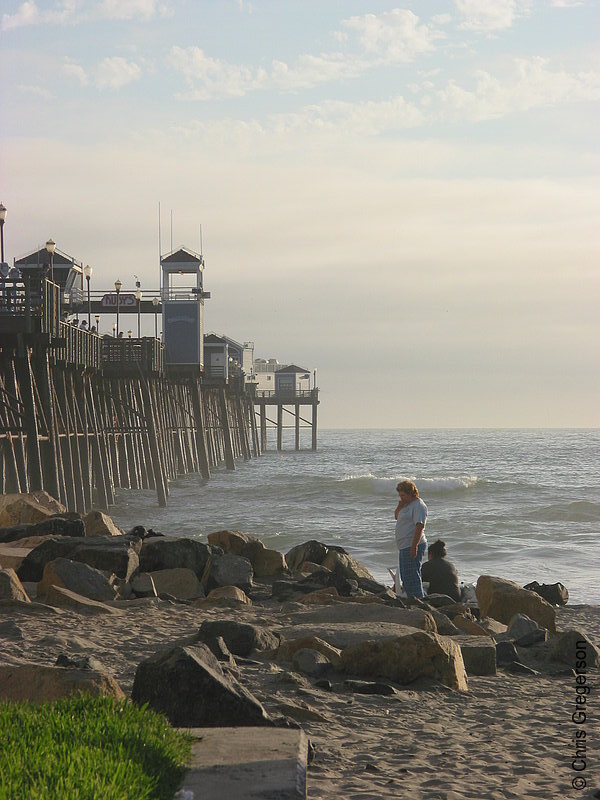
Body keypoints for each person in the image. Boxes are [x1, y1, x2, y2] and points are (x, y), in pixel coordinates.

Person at [394, 479, 427, 598]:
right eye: (400, 495)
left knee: (411, 576)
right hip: (404, 545)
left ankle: (418, 601)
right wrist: (399, 506)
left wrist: (414, 546)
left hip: (411, 544)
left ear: (410, 493)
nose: (401, 497)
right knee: (406, 576)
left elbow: (420, 526)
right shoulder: (406, 504)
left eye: (403, 495)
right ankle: (414, 599)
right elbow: (397, 517)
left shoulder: (418, 505)